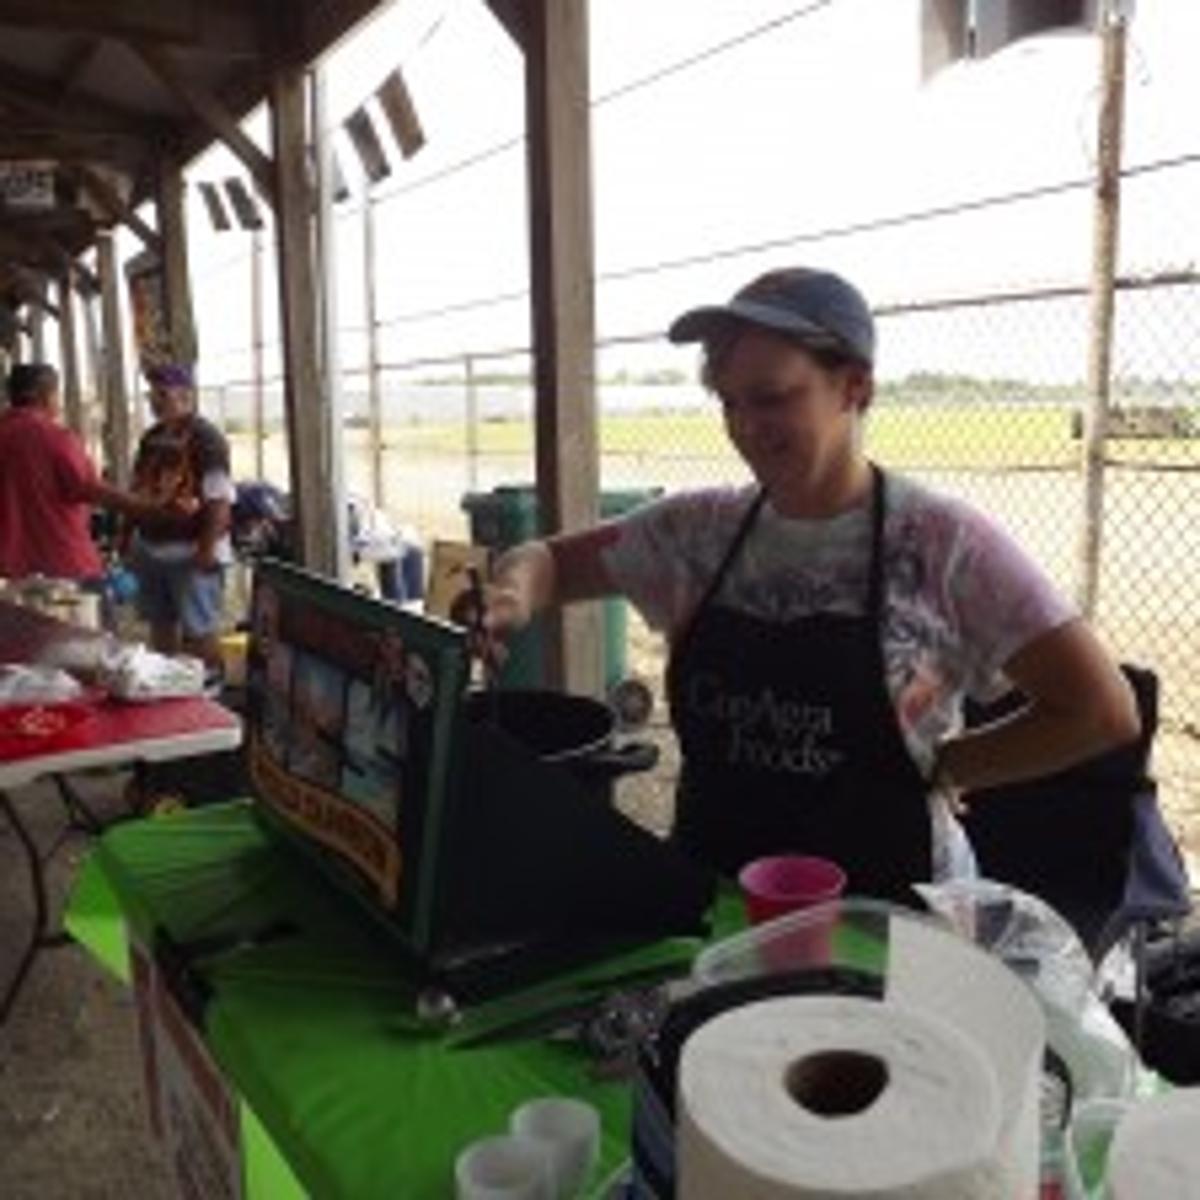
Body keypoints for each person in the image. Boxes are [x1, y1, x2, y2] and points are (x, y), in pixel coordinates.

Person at [467, 267, 1140, 900]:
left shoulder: (942, 545)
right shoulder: (698, 533)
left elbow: (1100, 711)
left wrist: (946, 767)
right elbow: (546, 561)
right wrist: (512, 596)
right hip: (720, 896)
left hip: (894, 915)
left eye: (772, 397)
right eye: (729, 402)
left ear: (856, 387)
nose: (745, 427)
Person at [0, 363, 156, 580]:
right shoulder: (55, 437)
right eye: (57, 393)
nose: (59, 402)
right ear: (44, 395)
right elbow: (89, 488)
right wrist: (148, 506)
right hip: (62, 564)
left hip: (8, 569)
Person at [124, 363, 233, 671]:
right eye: (151, 394)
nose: (154, 401)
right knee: (161, 624)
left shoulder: (206, 439)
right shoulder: (152, 438)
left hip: (191, 551)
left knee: (199, 630)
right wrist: (126, 538)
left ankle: (209, 688)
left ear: (187, 396)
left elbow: (219, 499)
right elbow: (137, 491)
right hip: (152, 547)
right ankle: (167, 681)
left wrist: (207, 548)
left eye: (162, 394)